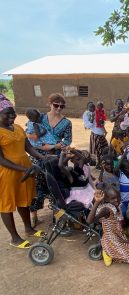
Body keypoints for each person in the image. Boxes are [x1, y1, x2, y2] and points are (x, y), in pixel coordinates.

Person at [0, 97, 45, 249]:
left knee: (23, 199)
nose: (12, 116)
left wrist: (43, 157)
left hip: (25, 169)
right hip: (7, 173)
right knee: (6, 204)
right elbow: (1, 159)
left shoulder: (18, 128)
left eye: (13, 113)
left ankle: (28, 228)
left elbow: (29, 148)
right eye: (8, 114)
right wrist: (24, 169)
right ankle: (14, 238)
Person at [26, 93, 72, 226]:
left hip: (56, 158)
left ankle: (57, 217)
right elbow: (29, 136)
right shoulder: (39, 118)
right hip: (37, 155)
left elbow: (68, 140)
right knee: (36, 186)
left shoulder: (66, 123)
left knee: (56, 186)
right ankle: (34, 215)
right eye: (56, 105)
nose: (58, 108)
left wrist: (54, 146)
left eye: (61, 106)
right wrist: (42, 146)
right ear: (50, 104)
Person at [87, 187, 129, 267]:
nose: (116, 200)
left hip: (119, 237)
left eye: (118, 197)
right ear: (107, 199)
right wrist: (97, 202)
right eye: (113, 198)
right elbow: (89, 221)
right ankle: (106, 251)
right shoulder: (106, 210)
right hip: (111, 240)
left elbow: (126, 217)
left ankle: (112, 252)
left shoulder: (118, 206)